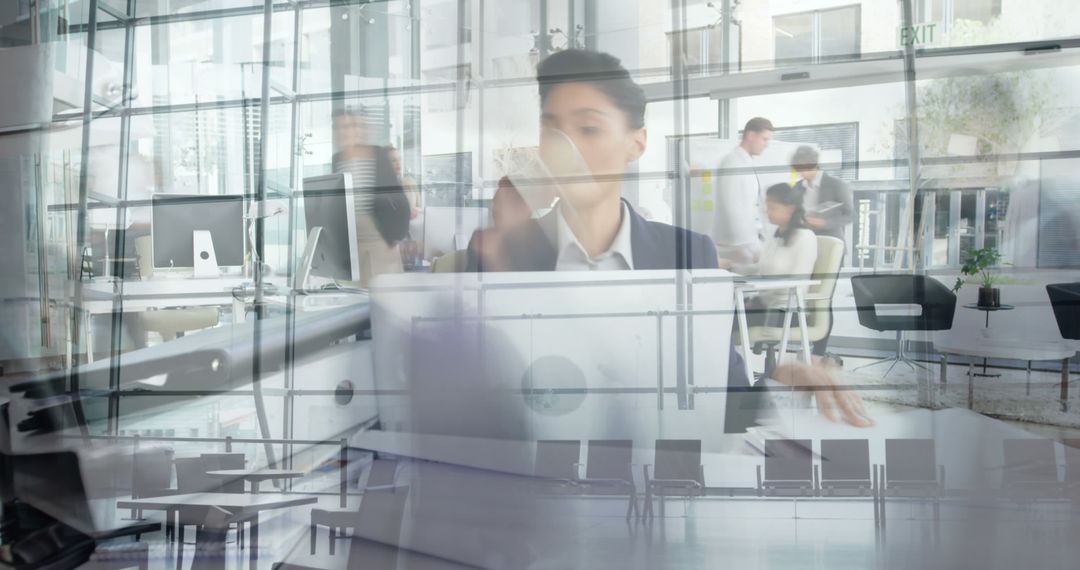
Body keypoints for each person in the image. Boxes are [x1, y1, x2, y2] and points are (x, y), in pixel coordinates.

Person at [471, 49, 870, 428]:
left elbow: (727, 406)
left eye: (588, 129)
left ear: (637, 143)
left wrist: (782, 384)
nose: (566, 150)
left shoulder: (687, 254)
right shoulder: (506, 255)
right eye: (552, 131)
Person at [331, 107, 411, 287]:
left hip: (380, 238)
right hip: (352, 241)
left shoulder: (378, 155)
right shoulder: (337, 159)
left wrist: (395, 236)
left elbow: (400, 201)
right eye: (338, 127)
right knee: (353, 296)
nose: (343, 132)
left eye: (348, 126)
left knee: (382, 296)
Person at [724, 183, 818, 327]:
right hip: (763, 305)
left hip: (784, 311)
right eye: (767, 207)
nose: (767, 212)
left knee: (723, 323)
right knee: (719, 317)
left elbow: (797, 284)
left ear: (790, 209)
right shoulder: (775, 234)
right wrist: (730, 268)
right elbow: (760, 269)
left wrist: (758, 296)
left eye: (773, 208)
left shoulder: (805, 238)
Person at [696, 117, 774, 266]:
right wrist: (744, 245)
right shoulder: (732, 162)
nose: (766, 145)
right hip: (734, 244)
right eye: (764, 139)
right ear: (751, 135)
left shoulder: (745, 162)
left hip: (746, 241)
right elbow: (732, 206)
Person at [790, 145, 854, 243]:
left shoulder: (836, 184)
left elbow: (850, 215)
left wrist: (825, 223)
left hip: (831, 244)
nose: (800, 172)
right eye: (797, 168)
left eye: (802, 167)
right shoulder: (797, 187)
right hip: (805, 243)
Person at [386, 145, 421, 220]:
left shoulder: (410, 182)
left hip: (412, 228)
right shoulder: (383, 187)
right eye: (394, 160)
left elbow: (420, 208)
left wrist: (417, 211)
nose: (398, 163)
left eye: (399, 159)